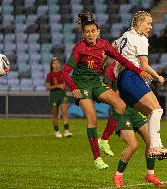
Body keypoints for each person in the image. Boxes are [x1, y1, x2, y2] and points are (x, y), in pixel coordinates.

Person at [62, 11, 152, 170]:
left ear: (98, 32)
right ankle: (97, 158)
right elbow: (65, 71)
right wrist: (74, 88)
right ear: (83, 34)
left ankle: (104, 140)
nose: (90, 34)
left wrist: (139, 71)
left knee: (120, 105)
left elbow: (122, 60)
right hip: (81, 84)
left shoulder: (103, 45)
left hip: (95, 82)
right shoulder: (79, 48)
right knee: (92, 118)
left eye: (93, 31)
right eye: (87, 32)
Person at [114, 11, 167, 160]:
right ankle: (155, 147)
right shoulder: (141, 39)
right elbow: (144, 65)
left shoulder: (125, 35)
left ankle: (156, 147)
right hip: (131, 77)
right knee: (157, 110)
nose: (150, 27)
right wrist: (158, 76)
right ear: (139, 24)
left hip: (122, 82)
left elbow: (112, 46)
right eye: (148, 23)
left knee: (151, 112)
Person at [101, 61, 164, 188]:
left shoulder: (135, 65)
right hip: (123, 113)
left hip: (136, 110)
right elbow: (105, 90)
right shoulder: (112, 69)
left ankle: (150, 175)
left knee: (150, 141)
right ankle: (118, 175)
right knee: (133, 145)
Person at [45, 57, 73, 138]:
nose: (56, 65)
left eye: (57, 63)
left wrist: (65, 85)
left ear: (60, 64)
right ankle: (57, 131)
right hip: (54, 95)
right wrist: (57, 86)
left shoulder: (63, 73)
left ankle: (67, 131)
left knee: (64, 112)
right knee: (55, 115)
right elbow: (47, 87)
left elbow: (66, 84)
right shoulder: (49, 75)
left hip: (62, 94)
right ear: (52, 65)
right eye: (54, 63)